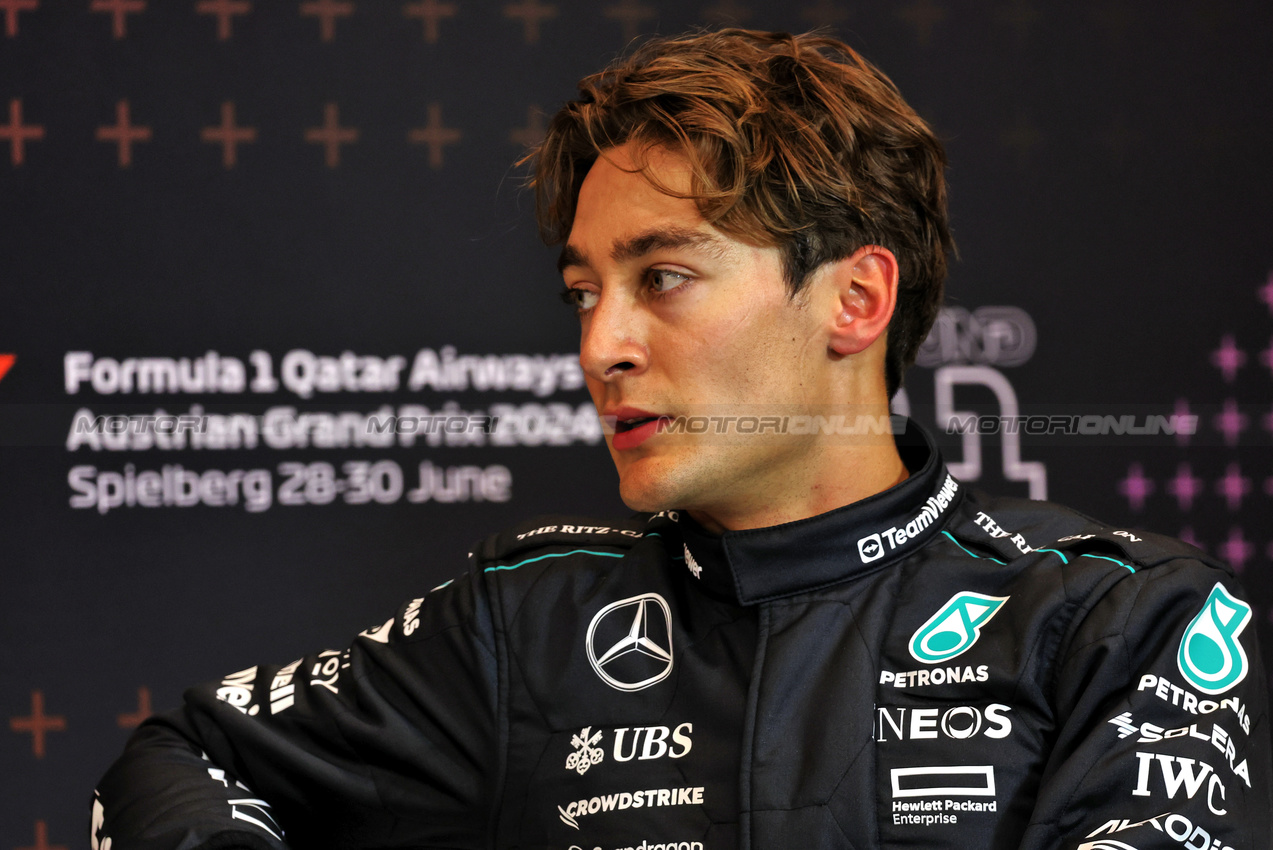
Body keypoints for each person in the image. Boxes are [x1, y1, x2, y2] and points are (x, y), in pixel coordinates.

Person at [93, 29, 1271, 850]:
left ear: (855, 303)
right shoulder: (525, 616)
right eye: (581, 291)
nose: (599, 345)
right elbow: (180, 758)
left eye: (661, 276)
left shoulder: (1121, 615)